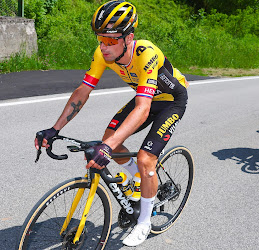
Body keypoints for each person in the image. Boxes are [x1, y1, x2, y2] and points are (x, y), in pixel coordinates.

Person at [34, 0, 188, 247]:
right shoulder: (102, 54)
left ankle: (144, 222)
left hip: (171, 101)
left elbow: (143, 108)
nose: (103, 47)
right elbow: (82, 91)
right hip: (145, 96)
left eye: (110, 40)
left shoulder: (145, 53)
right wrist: (55, 129)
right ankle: (138, 178)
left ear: (129, 38)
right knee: (111, 139)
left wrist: (107, 147)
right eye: (100, 39)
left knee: (145, 158)